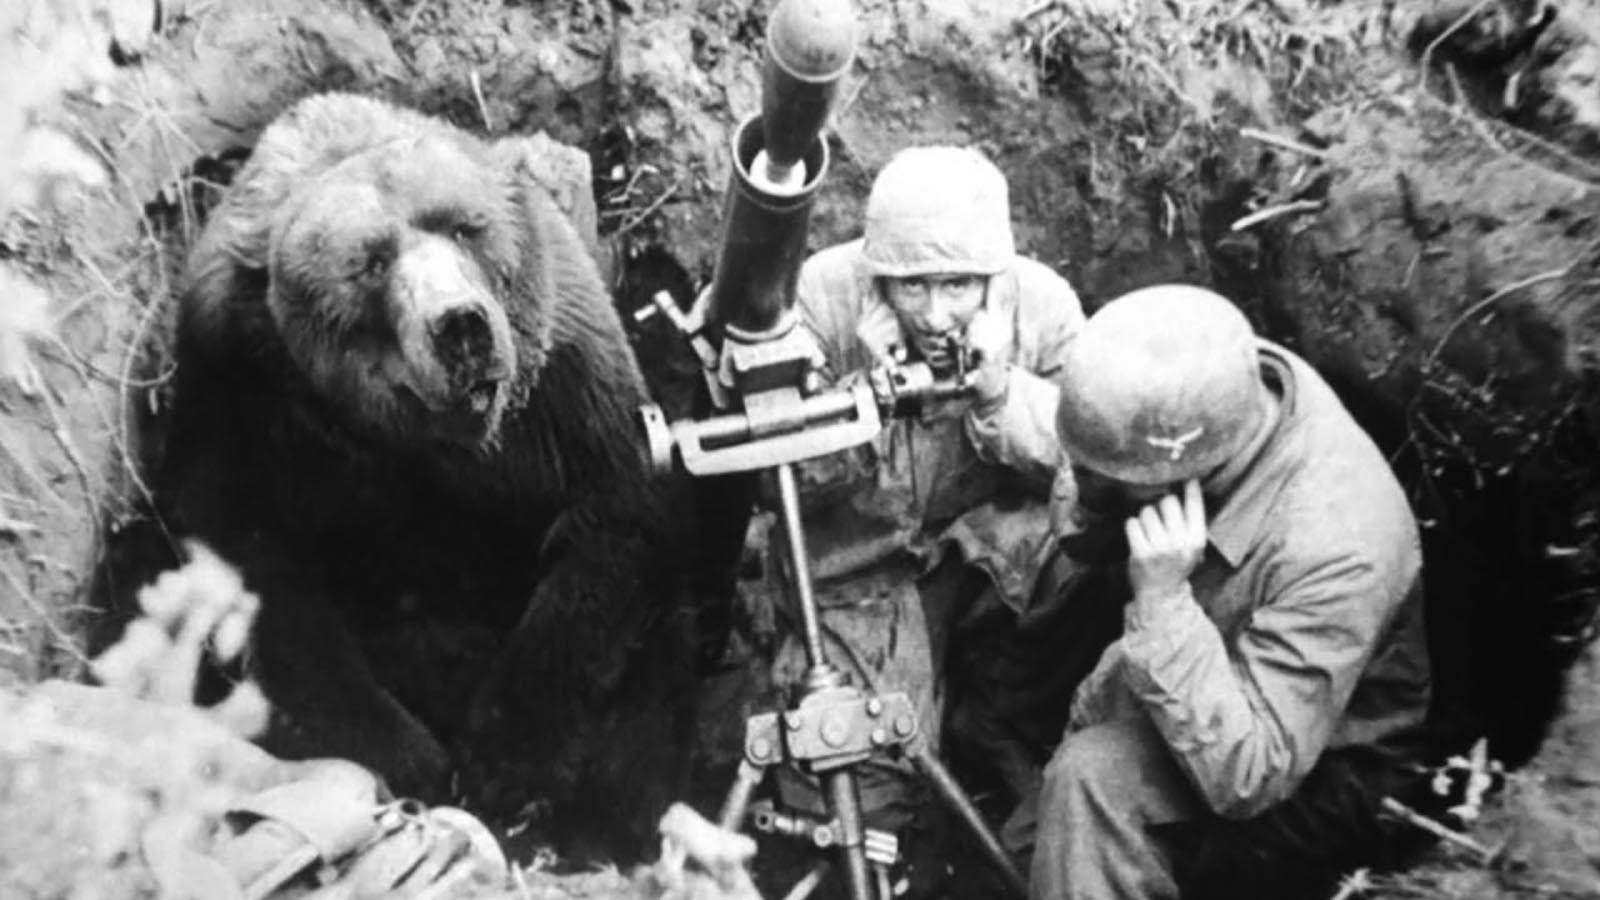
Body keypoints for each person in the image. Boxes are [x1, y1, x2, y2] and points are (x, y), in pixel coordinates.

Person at [998, 284, 1433, 899]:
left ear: (1190, 470)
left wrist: (1163, 602)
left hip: (1321, 773)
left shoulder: (1339, 541)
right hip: (1211, 675)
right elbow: (1089, 521)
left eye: (1108, 476)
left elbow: (1250, 776)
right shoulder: (1203, 382)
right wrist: (1096, 495)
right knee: (1027, 853)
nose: (1083, 482)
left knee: (1089, 783)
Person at [753, 145, 1085, 842]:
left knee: (1076, 594)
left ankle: (990, 724)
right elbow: (777, 487)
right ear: (878, 278)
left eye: (958, 286)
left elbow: (1092, 468)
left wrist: (1001, 393)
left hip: (993, 565)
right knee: (860, 810)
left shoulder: (1045, 307)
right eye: (911, 288)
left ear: (995, 276)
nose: (935, 315)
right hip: (859, 569)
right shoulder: (822, 297)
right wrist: (862, 398)